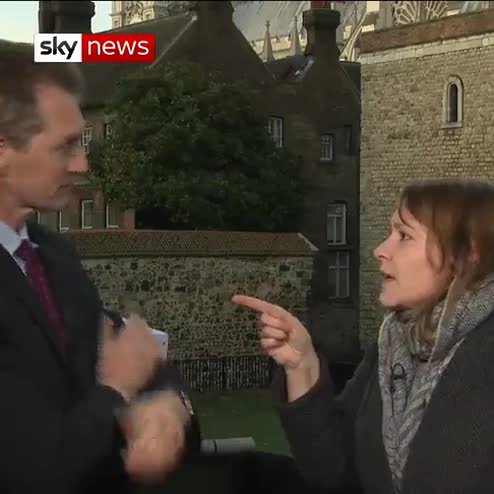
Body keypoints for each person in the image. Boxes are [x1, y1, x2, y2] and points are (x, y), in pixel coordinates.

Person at [0, 40, 199, 493]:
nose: (82, 163)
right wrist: (117, 390)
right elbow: (29, 471)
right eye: (65, 146)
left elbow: (139, 359)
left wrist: (170, 410)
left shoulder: (55, 257)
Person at [233, 177, 494, 493]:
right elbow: (335, 473)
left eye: (404, 236)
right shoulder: (391, 346)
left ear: (467, 254)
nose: (380, 250)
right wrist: (302, 366)